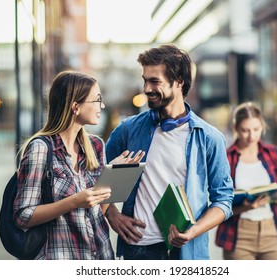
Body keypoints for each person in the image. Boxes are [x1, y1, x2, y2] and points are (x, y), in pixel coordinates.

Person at [104, 44, 234, 260]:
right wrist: (111, 213)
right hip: (139, 250)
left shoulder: (210, 138)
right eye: (145, 80)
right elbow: (92, 175)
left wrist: (193, 231)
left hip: (188, 253)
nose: (146, 89)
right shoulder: (128, 130)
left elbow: (224, 199)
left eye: (155, 81)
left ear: (179, 81)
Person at [13, 70, 144, 260]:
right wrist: (75, 201)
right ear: (75, 106)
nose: (102, 105)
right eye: (97, 100)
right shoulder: (40, 149)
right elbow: (23, 216)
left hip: (100, 255)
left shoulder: (96, 146)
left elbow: (97, 211)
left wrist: (111, 177)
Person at [215, 102, 277, 260]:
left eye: (256, 129)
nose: (251, 136)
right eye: (245, 130)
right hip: (238, 236)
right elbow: (217, 202)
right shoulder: (226, 158)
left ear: (263, 127)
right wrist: (246, 207)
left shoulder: (274, 154)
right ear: (235, 128)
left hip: (272, 231)